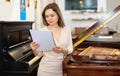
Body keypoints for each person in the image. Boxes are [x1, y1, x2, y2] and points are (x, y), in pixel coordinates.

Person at [30, 3, 73, 76]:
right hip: (45, 69)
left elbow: (70, 49)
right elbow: (39, 54)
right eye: (47, 16)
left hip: (62, 68)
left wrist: (63, 50)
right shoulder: (42, 31)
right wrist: (34, 49)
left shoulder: (66, 29)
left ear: (58, 15)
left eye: (52, 15)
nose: (49, 18)